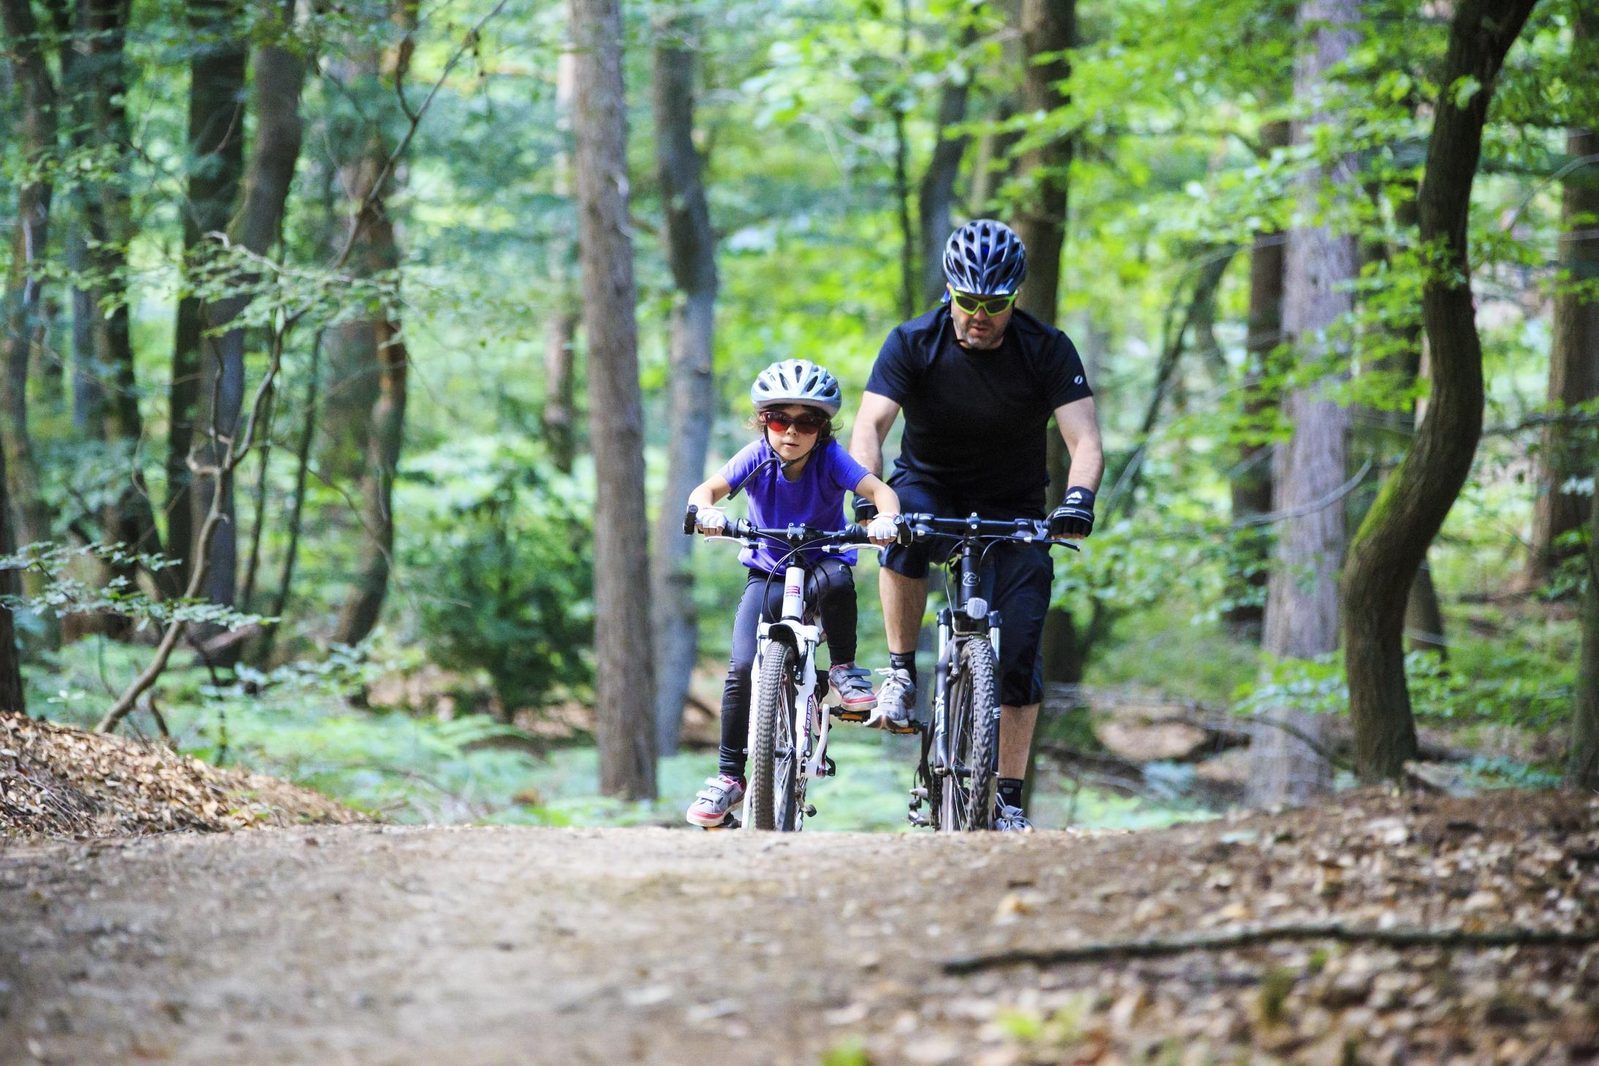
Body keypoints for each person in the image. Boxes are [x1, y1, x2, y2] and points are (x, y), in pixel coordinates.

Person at [848, 219, 1104, 831]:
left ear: (1016, 296)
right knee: (899, 531)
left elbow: (1085, 440)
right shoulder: (912, 342)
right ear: (949, 291)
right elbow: (869, 427)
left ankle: (1007, 798)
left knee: (1018, 653)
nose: (980, 315)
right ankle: (903, 675)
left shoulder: (1047, 349)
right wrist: (868, 495)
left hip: (1013, 505)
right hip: (928, 484)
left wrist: (1076, 503)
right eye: (968, 301)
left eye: (995, 304)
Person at [683, 359, 902, 828]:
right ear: (764, 421)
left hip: (822, 563)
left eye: (807, 422)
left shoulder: (831, 459)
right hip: (769, 570)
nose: (791, 432)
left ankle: (844, 671)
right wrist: (703, 510)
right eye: (780, 419)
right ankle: (729, 778)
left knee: (841, 582)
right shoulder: (755, 457)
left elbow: (880, 492)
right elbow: (708, 489)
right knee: (742, 666)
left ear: (823, 428)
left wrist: (885, 519)